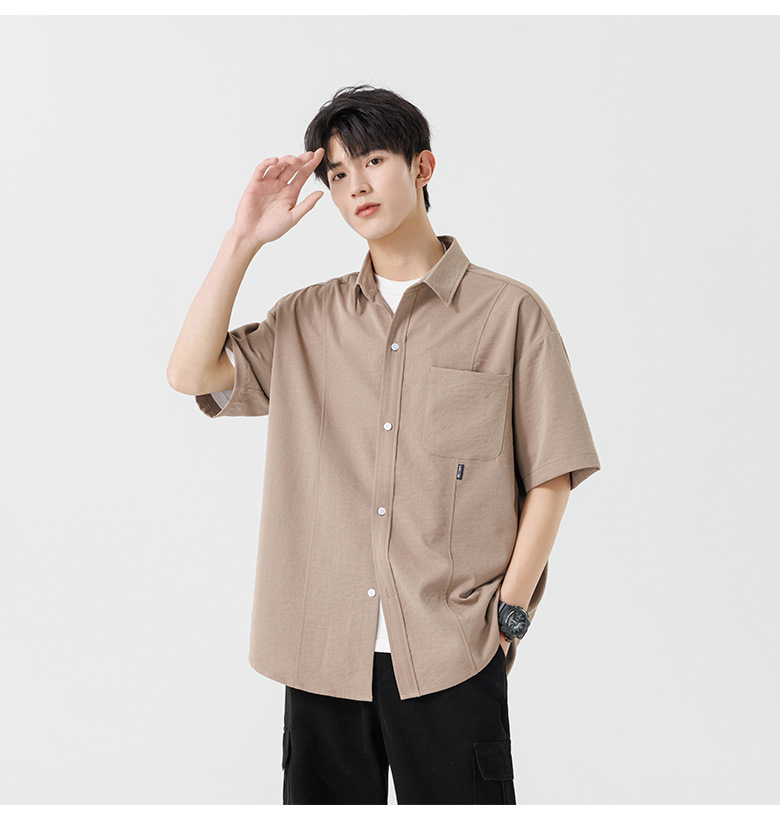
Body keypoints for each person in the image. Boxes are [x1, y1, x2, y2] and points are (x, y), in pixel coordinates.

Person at [167, 84, 601, 804]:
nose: (355, 186)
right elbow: (190, 374)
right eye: (338, 173)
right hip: (321, 654)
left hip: (451, 650)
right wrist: (242, 240)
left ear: (422, 166)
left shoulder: (509, 313)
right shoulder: (307, 319)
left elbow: (552, 474)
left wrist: (510, 614)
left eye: (372, 161)